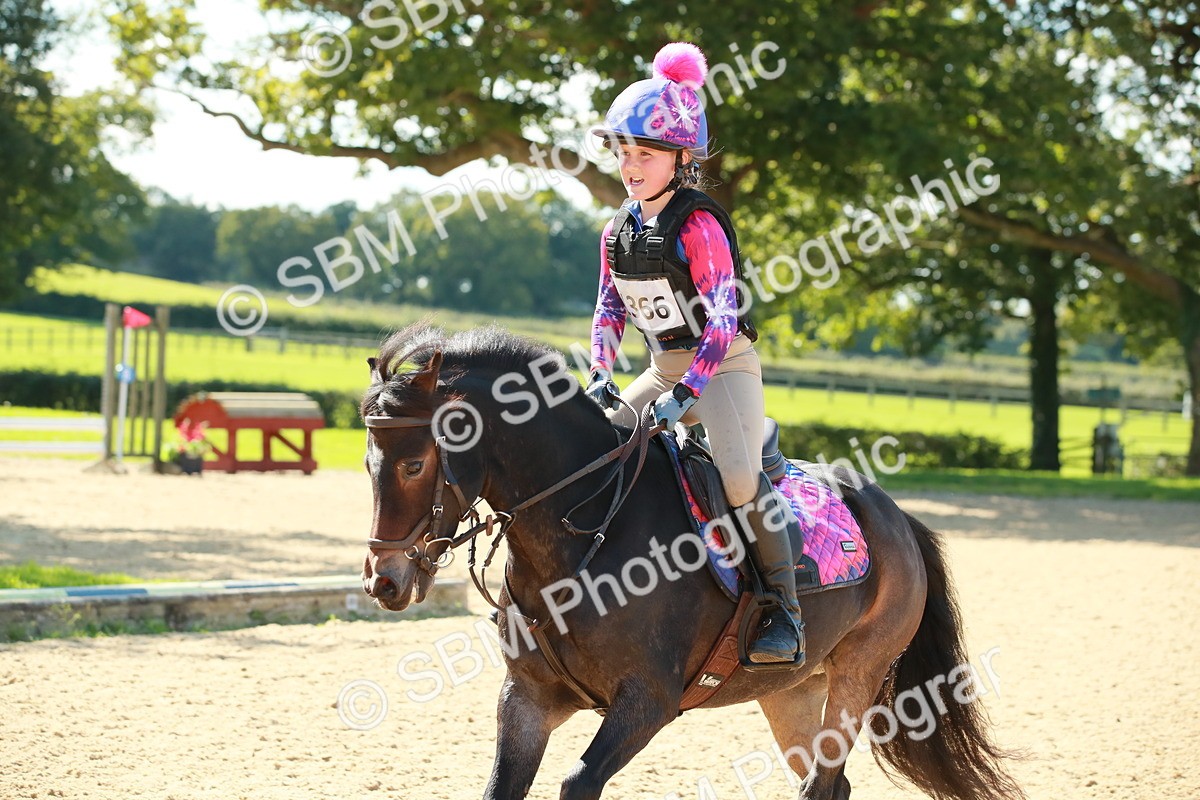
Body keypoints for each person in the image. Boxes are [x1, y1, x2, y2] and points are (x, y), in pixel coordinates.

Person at [584, 42, 805, 666]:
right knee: (592, 448)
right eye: (624, 152)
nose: (631, 165)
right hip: (663, 367)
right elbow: (609, 310)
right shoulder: (617, 231)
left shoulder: (699, 227)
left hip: (723, 367)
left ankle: (781, 607)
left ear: (681, 159)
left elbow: (724, 318)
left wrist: (688, 394)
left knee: (737, 476)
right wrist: (600, 373)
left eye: (645, 153)